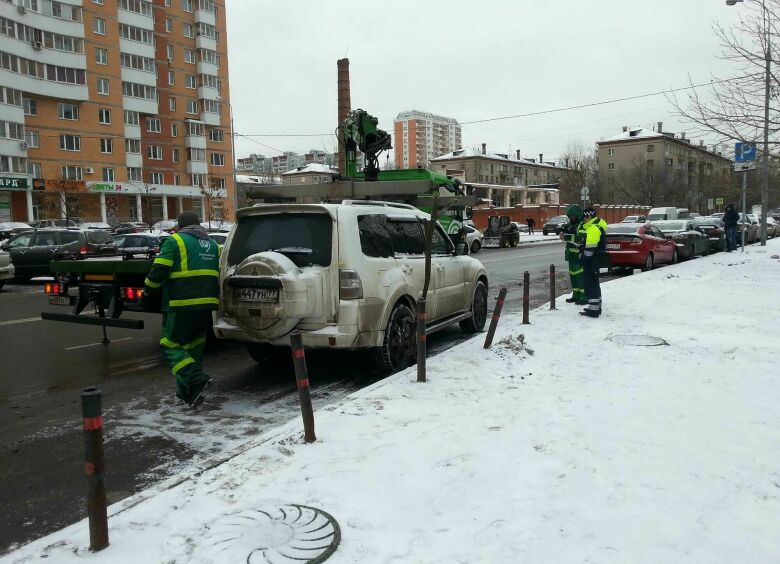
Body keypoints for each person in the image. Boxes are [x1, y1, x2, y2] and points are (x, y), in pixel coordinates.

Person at [142, 211, 221, 407]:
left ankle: (196, 380)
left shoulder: (175, 241)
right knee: (193, 347)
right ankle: (190, 393)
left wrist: (147, 293)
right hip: (206, 304)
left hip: (181, 302)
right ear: (198, 224)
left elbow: (159, 269)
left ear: (179, 226)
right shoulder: (212, 245)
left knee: (170, 345)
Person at [579, 207, 608, 318]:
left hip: (591, 261)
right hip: (597, 260)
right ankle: (596, 306)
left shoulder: (593, 228)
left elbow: (590, 247)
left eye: (584, 218)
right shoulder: (598, 227)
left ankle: (593, 310)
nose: (583, 220)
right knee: (595, 284)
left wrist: (584, 259)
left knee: (590, 284)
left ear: (589, 216)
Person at [560, 204, 586, 305]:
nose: (571, 218)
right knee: (573, 276)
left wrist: (566, 237)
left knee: (580, 277)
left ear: (578, 216)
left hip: (578, 256)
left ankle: (584, 296)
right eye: (570, 216)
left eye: (573, 216)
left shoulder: (582, 225)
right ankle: (576, 295)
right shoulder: (571, 225)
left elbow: (580, 239)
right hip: (571, 255)